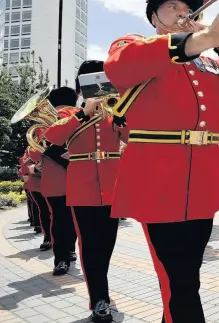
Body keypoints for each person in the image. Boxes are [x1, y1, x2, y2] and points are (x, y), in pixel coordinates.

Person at [104, 0, 219, 322]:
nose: (180, 12)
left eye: (185, 6)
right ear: (153, 15)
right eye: (171, 6)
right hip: (157, 183)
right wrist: (202, 40)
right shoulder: (134, 45)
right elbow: (120, 66)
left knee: (186, 281)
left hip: (201, 184)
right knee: (180, 286)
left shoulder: (207, 62)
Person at [43, 60, 127, 322]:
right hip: (83, 189)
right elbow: (53, 137)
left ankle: (100, 285)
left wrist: (124, 114)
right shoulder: (69, 114)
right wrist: (84, 112)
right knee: (91, 246)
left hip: (113, 187)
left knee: (107, 245)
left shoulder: (115, 111)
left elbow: (132, 137)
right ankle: (99, 299)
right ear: (82, 88)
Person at [41, 87, 79, 276]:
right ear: (76, 98)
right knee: (76, 218)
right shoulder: (84, 114)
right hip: (81, 177)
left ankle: (61, 260)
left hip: (54, 179)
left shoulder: (45, 122)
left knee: (58, 219)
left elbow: (35, 150)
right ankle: (71, 250)